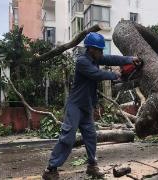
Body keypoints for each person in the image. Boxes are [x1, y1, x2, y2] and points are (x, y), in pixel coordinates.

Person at [42, 32, 141, 179]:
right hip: (75, 105)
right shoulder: (82, 61)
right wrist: (115, 76)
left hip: (87, 106)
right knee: (68, 137)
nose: (102, 53)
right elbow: (96, 74)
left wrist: (130, 59)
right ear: (91, 49)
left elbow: (112, 58)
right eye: (99, 50)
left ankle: (92, 166)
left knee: (91, 137)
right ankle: (51, 169)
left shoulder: (96, 59)